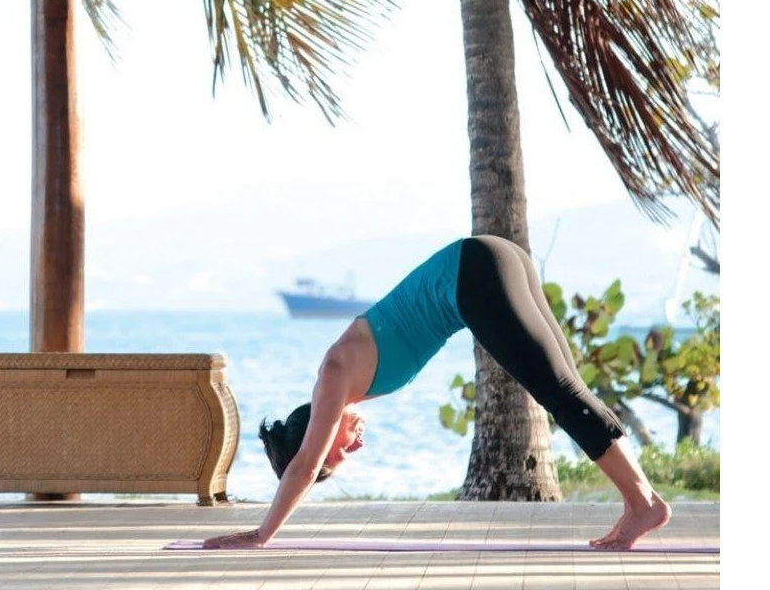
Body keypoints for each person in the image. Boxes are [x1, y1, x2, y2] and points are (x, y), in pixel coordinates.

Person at [203, 234, 670, 551]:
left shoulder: (334, 374)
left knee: (562, 392)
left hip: (476, 273)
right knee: (569, 389)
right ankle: (643, 499)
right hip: (492, 258)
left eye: (342, 450)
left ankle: (643, 504)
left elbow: (303, 466)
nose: (358, 445)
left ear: (319, 436)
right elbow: (309, 461)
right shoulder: (347, 377)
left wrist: (263, 533)